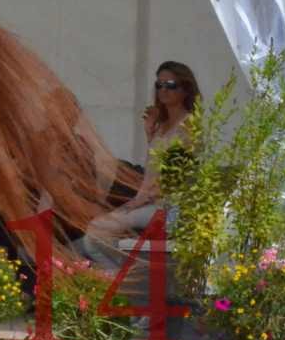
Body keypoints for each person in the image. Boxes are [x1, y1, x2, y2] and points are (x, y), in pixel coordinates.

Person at [77, 60, 200, 271]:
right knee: (95, 233)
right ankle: (123, 277)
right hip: (151, 202)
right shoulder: (163, 125)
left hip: (170, 208)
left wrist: (138, 201)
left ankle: (122, 279)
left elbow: (173, 176)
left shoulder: (188, 126)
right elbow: (154, 165)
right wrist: (149, 132)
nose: (163, 90)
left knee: (96, 231)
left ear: (185, 89)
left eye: (170, 85)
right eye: (159, 85)